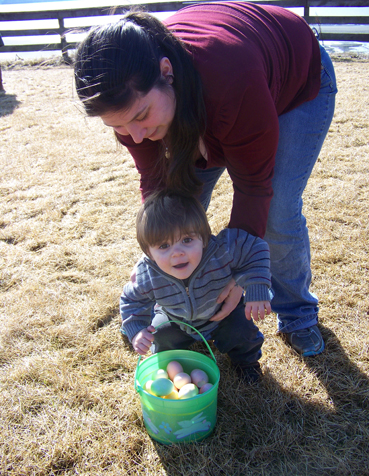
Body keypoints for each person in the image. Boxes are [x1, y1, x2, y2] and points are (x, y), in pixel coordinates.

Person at [74, 2, 338, 357]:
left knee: (276, 212)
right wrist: (164, 261)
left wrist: (238, 275)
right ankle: (186, 310)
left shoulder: (230, 80)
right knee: (180, 209)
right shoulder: (130, 109)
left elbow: (254, 187)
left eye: (141, 116)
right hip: (206, 99)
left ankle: (297, 315)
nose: (135, 137)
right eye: (117, 126)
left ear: (165, 71)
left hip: (294, 82)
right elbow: (157, 185)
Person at [120, 191, 272, 383]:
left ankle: (247, 364)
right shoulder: (148, 275)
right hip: (176, 320)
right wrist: (137, 330)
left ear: (203, 237)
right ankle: (173, 367)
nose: (177, 253)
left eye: (187, 240)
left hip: (221, 314)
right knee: (159, 335)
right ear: (148, 252)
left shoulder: (220, 251)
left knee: (241, 330)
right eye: (164, 246)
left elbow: (255, 247)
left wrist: (256, 286)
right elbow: (130, 300)